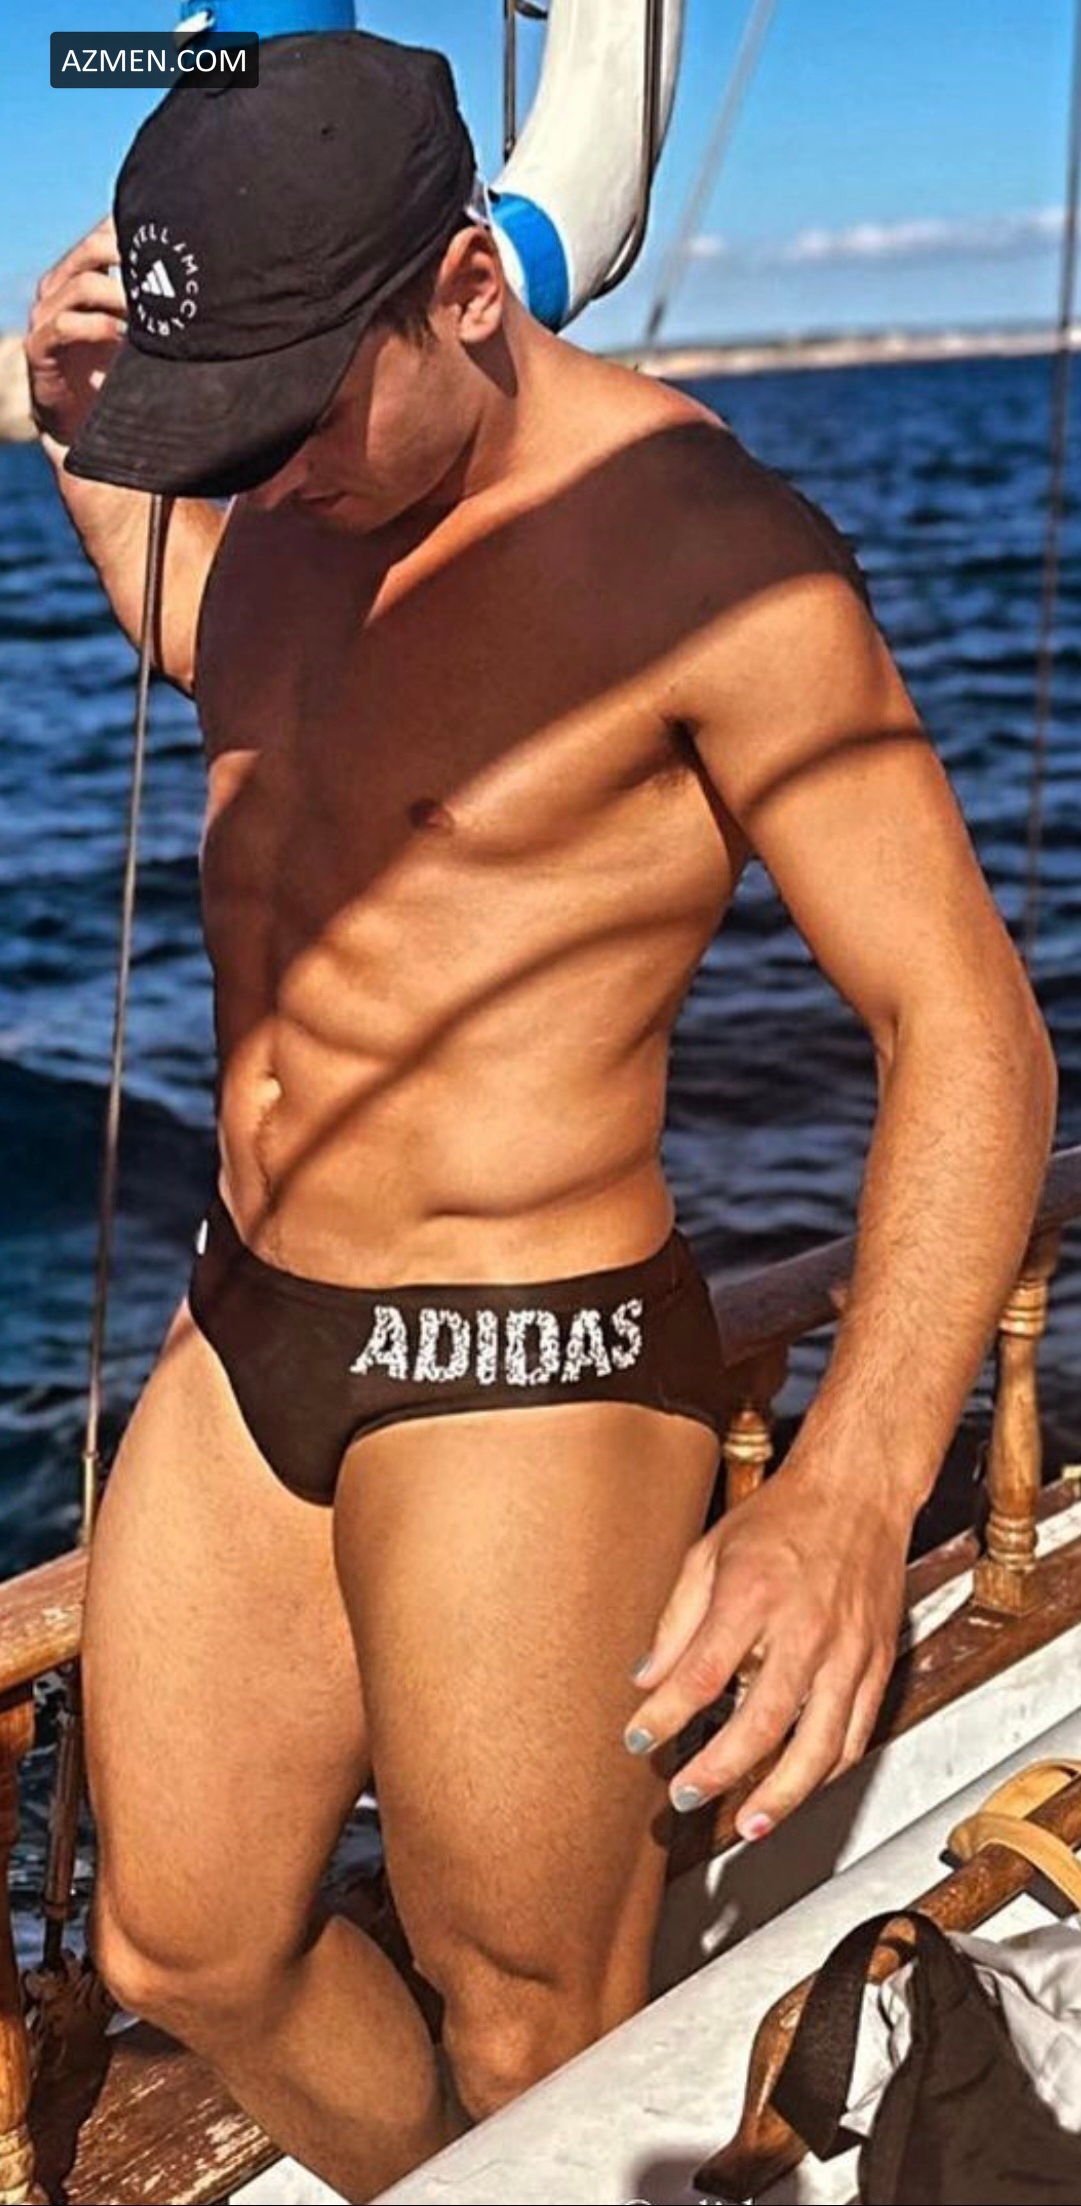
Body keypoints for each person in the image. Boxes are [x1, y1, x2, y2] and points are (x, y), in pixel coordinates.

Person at [25, 27, 1057, 2204]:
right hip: (249, 1315)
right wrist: (90, 440)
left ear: (468, 288)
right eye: (226, 425)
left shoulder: (705, 555)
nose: (264, 469)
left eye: (295, 411)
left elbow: (961, 1019)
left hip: (522, 1355)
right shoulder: (287, 492)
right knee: (183, 1944)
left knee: (531, 2020)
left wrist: (854, 1483)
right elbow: (223, 652)